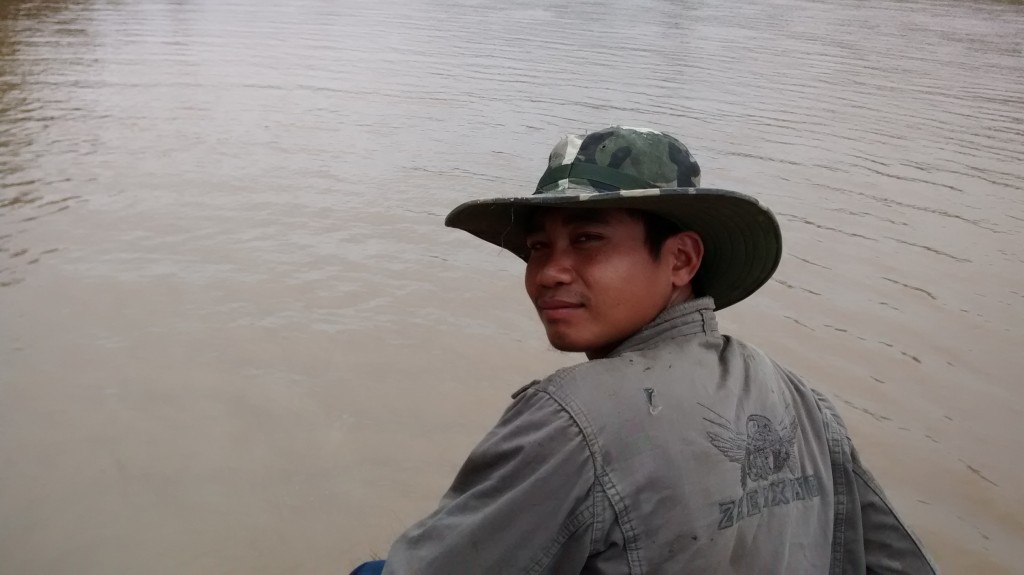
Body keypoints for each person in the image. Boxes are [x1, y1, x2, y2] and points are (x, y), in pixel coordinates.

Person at [356, 127, 937, 574]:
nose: (549, 272)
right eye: (538, 247)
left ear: (681, 259)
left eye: (588, 239)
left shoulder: (571, 419)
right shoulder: (797, 397)